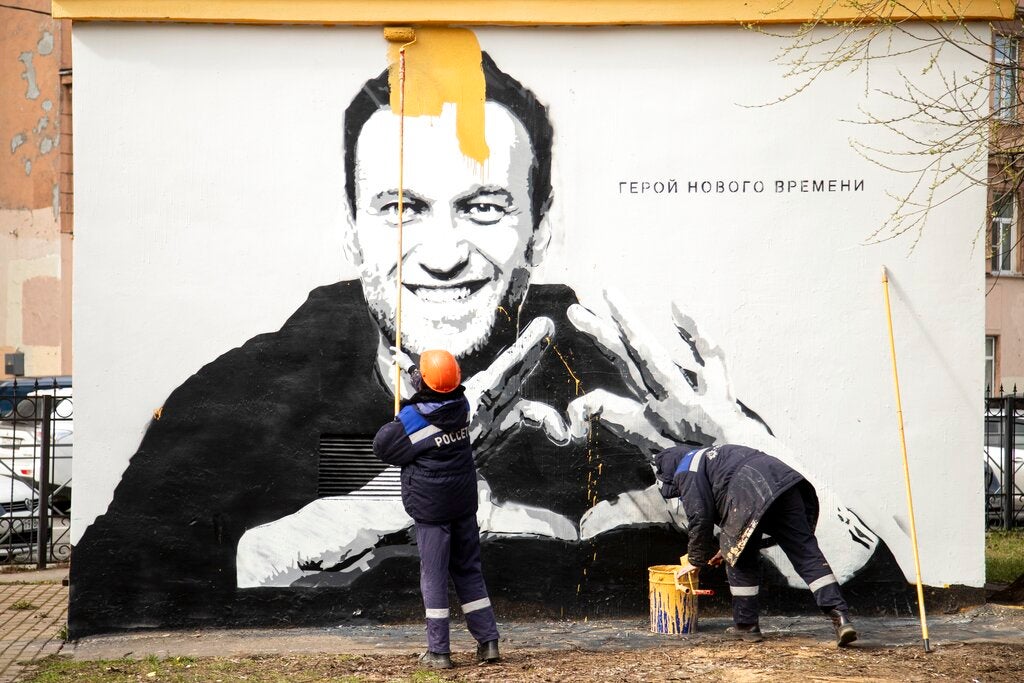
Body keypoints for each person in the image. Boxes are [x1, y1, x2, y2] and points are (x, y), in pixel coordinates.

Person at [68, 32, 893, 637]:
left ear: (539, 228)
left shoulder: (640, 382)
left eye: (485, 206)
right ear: (353, 232)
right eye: (400, 209)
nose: (443, 252)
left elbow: (833, 553)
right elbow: (115, 581)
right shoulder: (240, 394)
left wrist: (746, 455)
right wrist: (346, 516)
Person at [655, 444, 858, 647]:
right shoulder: (714, 457)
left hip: (747, 489)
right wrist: (726, 547)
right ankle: (841, 617)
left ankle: (747, 625)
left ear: (669, 469)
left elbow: (700, 516)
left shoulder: (685, 469)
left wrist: (695, 560)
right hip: (785, 484)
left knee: (741, 561)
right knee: (805, 552)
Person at [372, 350, 500, 669]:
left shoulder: (411, 418)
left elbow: (383, 447)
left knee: (434, 576)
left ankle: (439, 652)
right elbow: (438, 389)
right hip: (463, 503)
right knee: (468, 570)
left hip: (432, 509)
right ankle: (488, 642)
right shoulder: (462, 406)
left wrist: (398, 421)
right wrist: (411, 368)